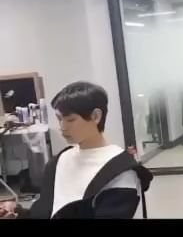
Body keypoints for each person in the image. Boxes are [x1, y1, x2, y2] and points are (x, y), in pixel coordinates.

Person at [0, 81, 152, 219]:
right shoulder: (59, 161)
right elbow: (46, 212)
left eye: (70, 119)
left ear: (96, 116)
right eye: (59, 119)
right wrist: (18, 213)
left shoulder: (121, 172)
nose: (62, 127)